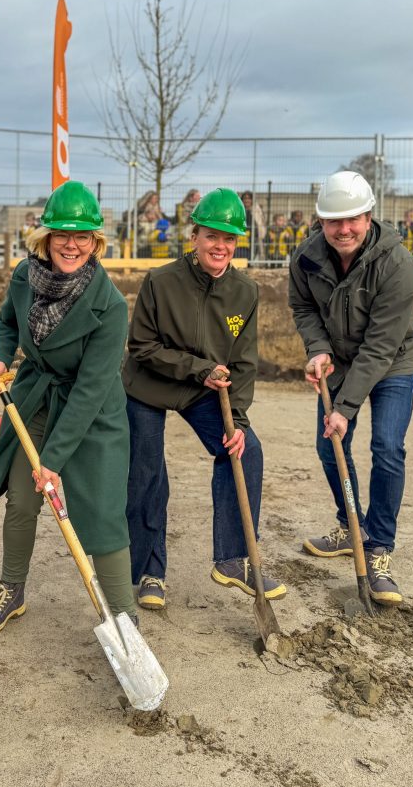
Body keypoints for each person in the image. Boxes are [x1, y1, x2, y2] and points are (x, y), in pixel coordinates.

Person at [0, 180, 136, 633]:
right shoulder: (25, 277)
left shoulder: (110, 307)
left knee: (101, 512)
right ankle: (12, 589)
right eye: (62, 234)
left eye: (82, 236)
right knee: (22, 498)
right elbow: (7, 322)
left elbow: (89, 390)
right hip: (36, 396)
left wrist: (52, 461)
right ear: (44, 238)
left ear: (95, 243)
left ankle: (124, 616)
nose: (71, 244)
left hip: (94, 413)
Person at [125, 188, 287, 611]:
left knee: (244, 450)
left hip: (206, 392)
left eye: (229, 239)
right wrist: (198, 367)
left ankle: (232, 559)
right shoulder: (160, 282)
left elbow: (244, 362)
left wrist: (237, 420)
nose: (221, 246)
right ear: (193, 235)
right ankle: (148, 571)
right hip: (150, 386)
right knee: (146, 473)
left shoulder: (245, 291)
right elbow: (141, 347)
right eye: (212, 236)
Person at [288, 171, 413, 606]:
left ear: (369, 216)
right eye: (333, 221)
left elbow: (381, 346)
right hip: (340, 359)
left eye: (353, 219)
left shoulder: (398, 263)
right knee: (329, 446)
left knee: (386, 447)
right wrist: (318, 348)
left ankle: (379, 546)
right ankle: (352, 529)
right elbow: (303, 305)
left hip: (393, 359)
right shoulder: (305, 258)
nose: (343, 229)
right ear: (321, 221)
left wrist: (343, 407)